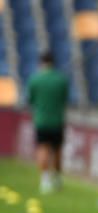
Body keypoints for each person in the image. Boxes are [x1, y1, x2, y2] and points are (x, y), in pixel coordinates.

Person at [26, 51, 70, 194]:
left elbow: (30, 100)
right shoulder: (61, 79)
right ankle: (57, 178)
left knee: (43, 149)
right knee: (57, 150)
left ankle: (45, 180)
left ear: (41, 63)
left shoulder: (35, 79)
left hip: (42, 121)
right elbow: (65, 99)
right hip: (58, 121)